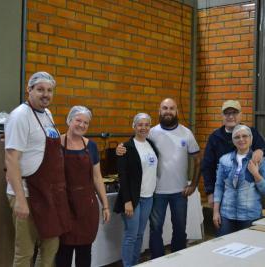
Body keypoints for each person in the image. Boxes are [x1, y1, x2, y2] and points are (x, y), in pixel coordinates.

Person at [117, 98, 200, 259]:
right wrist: (121, 148)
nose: (168, 111)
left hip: (180, 192)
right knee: (155, 230)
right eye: (165, 108)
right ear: (159, 111)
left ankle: (178, 261)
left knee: (180, 229)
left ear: (176, 111)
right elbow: (136, 144)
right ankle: (157, 261)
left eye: (172, 108)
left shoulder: (186, 133)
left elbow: (198, 159)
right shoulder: (152, 132)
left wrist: (194, 184)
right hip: (156, 193)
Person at [5, 71, 72, 267]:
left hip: (47, 194)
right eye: (40, 89)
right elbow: (11, 158)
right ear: (29, 90)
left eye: (50, 90)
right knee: (25, 252)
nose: (46, 94)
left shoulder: (48, 114)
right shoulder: (20, 116)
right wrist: (19, 200)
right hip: (26, 193)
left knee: (51, 245)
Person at [55, 106, 111, 267]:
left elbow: (97, 177)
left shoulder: (91, 146)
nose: (82, 125)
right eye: (78, 120)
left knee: (85, 251)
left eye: (86, 123)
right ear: (69, 120)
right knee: (63, 252)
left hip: (87, 206)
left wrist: (105, 205)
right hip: (64, 206)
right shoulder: (57, 143)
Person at [201, 100, 265, 207]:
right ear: (222, 116)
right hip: (224, 196)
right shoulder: (215, 138)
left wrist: (261, 151)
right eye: (227, 113)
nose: (230, 116)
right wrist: (210, 192)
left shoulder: (252, 133)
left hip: (248, 196)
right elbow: (207, 166)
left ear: (240, 115)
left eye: (234, 113)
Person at [114, 113, 159, 267]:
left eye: (147, 125)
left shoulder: (151, 145)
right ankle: (127, 264)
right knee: (131, 235)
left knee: (140, 234)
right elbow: (123, 176)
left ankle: (135, 263)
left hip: (148, 197)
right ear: (134, 126)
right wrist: (127, 201)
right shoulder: (126, 147)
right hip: (133, 199)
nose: (143, 128)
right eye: (140, 124)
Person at [212, 124, 265, 236]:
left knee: (249, 249)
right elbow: (219, 186)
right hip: (226, 215)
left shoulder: (261, 161)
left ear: (251, 138)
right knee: (224, 248)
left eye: (245, 136)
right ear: (233, 141)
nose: (241, 139)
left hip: (250, 216)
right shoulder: (224, 160)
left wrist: (255, 174)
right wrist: (215, 212)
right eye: (237, 137)